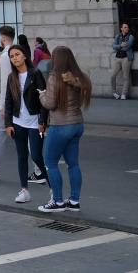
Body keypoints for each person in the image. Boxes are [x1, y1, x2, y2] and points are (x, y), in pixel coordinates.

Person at [0, 43, 49, 204]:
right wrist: (9, 123)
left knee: (37, 156)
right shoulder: (12, 77)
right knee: (21, 156)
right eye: (11, 56)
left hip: (34, 123)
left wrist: (42, 121)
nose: (15, 58)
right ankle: (24, 190)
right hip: (18, 123)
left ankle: (53, 191)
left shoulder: (36, 74)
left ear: (24, 55)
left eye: (17, 54)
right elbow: (9, 102)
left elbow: (43, 100)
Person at [38, 46, 92, 212]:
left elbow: (50, 103)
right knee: (73, 164)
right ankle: (74, 201)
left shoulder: (55, 77)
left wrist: (42, 95)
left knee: (50, 163)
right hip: (77, 124)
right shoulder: (79, 76)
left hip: (60, 125)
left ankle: (58, 201)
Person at [111, 22, 135, 100]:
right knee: (113, 76)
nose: (126, 28)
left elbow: (128, 46)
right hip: (118, 58)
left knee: (126, 76)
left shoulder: (131, 36)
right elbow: (113, 46)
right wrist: (120, 45)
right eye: (125, 27)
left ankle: (124, 94)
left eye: (127, 27)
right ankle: (114, 92)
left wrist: (119, 47)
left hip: (126, 58)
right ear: (121, 29)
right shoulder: (118, 36)